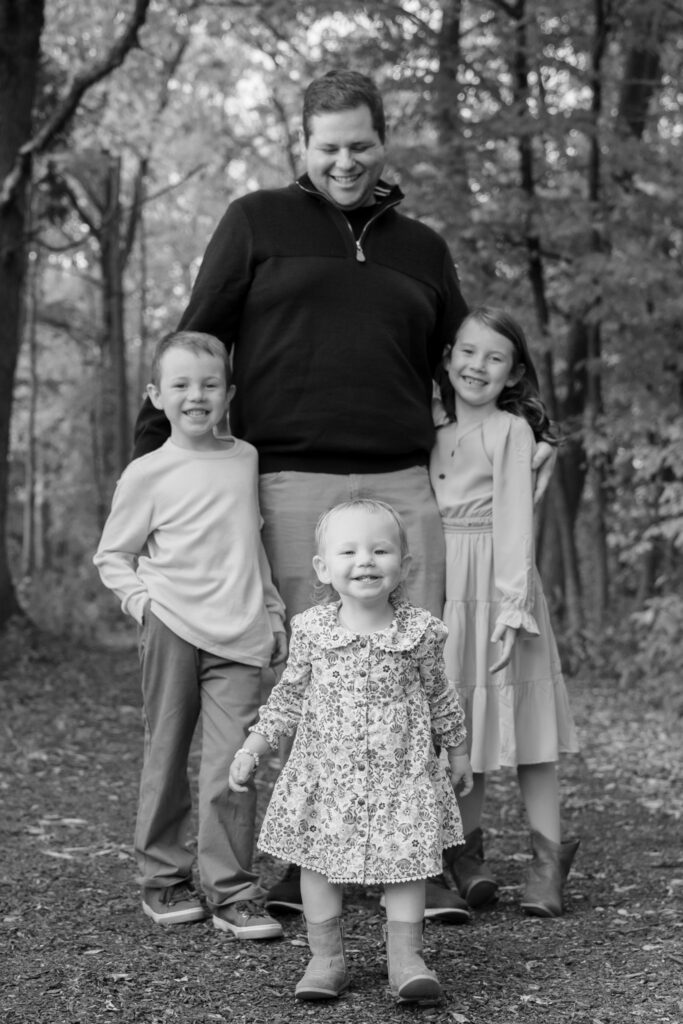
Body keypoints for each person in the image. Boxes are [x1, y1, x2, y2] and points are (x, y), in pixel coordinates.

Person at [132, 68, 554, 919]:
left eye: (361, 145)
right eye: (328, 147)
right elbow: (199, 333)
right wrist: (154, 465)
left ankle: (423, 857)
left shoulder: (421, 248)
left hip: (404, 479)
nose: (345, 161)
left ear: (382, 140)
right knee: (305, 666)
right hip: (290, 477)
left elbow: (467, 358)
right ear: (304, 143)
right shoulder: (255, 222)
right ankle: (297, 857)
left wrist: (529, 426)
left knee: (408, 664)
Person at [228, 499, 473, 1004]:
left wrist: (459, 752)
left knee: (406, 865)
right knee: (318, 863)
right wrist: (253, 747)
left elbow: (440, 695)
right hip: (327, 775)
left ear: (403, 565)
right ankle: (326, 958)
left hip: (400, 773)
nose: (365, 560)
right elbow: (289, 697)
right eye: (349, 551)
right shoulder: (314, 630)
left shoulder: (419, 632)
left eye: (380, 550)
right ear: (323, 567)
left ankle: (406, 959)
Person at [94, 331, 288, 938]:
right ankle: (164, 878)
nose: (195, 396)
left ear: (228, 394)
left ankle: (232, 891)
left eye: (208, 384)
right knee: (168, 750)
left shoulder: (245, 458)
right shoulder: (147, 473)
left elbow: (251, 544)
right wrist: (144, 605)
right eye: (180, 385)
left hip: (239, 630)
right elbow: (112, 555)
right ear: (156, 395)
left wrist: (275, 611)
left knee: (234, 763)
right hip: (172, 627)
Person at [429, 307, 580, 918]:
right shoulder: (429, 426)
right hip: (447, 579)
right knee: (467, 721)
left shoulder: (511, 431)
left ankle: (548, 862)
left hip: (501, 580)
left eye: (495, 358)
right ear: (447, 358)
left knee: (529, 727)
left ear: (514, 373)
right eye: (468, 352)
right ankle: (467, 856)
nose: (477, 367)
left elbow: (518, 515)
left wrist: (515, 601)